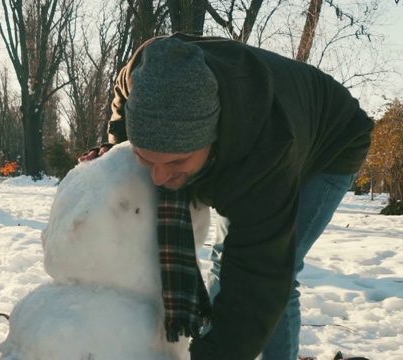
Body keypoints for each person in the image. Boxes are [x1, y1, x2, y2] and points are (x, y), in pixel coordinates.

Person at [84, 33, 374, 359]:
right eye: (146, 157)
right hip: (262, 129)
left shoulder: (264, 154)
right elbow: (123, 104)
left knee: (280, 269)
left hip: (333, 141)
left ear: (213, 140)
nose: (160, 178)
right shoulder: (147, 70)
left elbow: (258, 284)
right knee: (225, 260)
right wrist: (120, 148)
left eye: (176, 161)